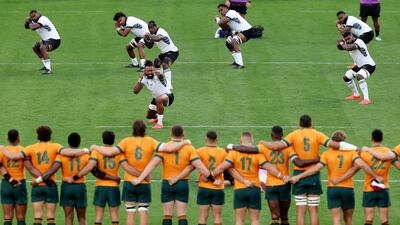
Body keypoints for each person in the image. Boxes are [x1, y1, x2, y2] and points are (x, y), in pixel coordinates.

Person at [258, 115, 358, 225]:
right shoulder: (318, 134)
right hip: (313, 175)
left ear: (299, 124)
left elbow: (276, 147)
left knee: (300, 210)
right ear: (311, 123)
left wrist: (263, 142)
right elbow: (335, 145)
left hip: (298, 176)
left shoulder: (294, 134)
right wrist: (355, 148)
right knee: (313, 210)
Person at [91, 120, 192, 225]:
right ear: (145, 130)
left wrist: (94, 147)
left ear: (133, 130)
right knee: (143, 211)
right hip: (144, 183)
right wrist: (184, 142)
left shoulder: (126, 141)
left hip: (129, 182)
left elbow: (109, 152)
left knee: (130, 211)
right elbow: (169, 148)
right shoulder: (150, 141)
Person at [231, 126, 323, 225]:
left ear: (271, 135)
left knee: (274, 217)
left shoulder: (263, 147)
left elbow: (247, 150)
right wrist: (315, 160)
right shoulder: (288, 148)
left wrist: (231, 147)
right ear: (282, 135)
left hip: (271, 185)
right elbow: (298, 162)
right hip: (284, 183)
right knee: (284, 217)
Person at [289, 130, 383, 225]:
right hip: (348, 189)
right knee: (348, 219)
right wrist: (376, 176)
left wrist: (299, 176)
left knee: (336, 220)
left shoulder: (326, 154)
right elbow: (362, 165)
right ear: (344, 141)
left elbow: (316, 169)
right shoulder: (352, 153)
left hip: (333, 189)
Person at [0, 126, 88, 225]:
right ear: (50, 136)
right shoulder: (55, 146)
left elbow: (14, 157)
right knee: (50, 217)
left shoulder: (30, 148)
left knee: (37, 217)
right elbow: (69, 152)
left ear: (37, 136)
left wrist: (2, 148)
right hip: (50, 186)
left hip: (35, 186)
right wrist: (84, 150)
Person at [131, 125, 216, 225]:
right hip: (182, 184)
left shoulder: (166, 147)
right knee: (182, 215)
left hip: (167, 183)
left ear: (170, 134)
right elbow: (200, 166)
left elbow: (152, 164)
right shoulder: (189, 148)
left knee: (167, 215)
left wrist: (140, 178)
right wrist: (212, 179)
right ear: (183, 134)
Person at [212, 132, 290, 225]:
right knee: (255, 221)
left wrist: (210, 176)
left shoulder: (234, 153)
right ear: (252, 141)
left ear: (241, 141)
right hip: (254, 189)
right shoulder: (257, 154)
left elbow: (222, 167)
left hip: (240, 189)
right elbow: (268, 167)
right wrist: (281, 176)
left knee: (239, 221)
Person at [335, 129, 393, 225]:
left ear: (371, 139)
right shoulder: (388, 152)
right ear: (382, 139)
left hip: (369, 189)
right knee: (384, 220)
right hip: (384, 188)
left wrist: (341, 179)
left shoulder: (364, 153)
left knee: (368, 220)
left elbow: (354, 169)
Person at [31, 133, 91, 225]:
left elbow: (53, 170)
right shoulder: (86, 155)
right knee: (82, 218)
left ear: (68, 142)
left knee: (68, 217)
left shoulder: (61, 156)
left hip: (66, 187)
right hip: (80, 187)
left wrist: (38, 180)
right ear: (79, 142)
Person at [67, 131, 126, 225]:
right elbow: (126, 166)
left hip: (100, 186)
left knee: (98, 216)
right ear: (114, 140)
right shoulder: (118, 152)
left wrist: (75, 177)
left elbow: (90, 167)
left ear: (102, 139)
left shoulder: (96, 152)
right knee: (114, 216)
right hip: (114, 187)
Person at [133, 60, 174, 129]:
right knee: (149, 116)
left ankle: (160, 124)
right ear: (144, 71)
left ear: (153, 70)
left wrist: (160, 75)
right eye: (147, 71)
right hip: (156, 98)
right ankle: (159, 116)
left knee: (158, 99)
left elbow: (162, 76)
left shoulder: (157, 75)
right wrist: (139, 79)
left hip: (168, 96)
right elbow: (135, 91)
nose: (149, 72)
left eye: (151, 70)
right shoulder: (143, 79)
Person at [337, 32, 376, 105]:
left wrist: (342, 43)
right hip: (359, 66)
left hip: (369, 66)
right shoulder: (348, 43)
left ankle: (367, 99)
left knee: (359, 76)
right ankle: (356, 95)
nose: (348, 40)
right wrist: (339, 43)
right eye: (346, 39)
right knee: (346, 77)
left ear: (353, 36)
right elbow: (340, 48)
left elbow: (349, 48)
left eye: (349, 38)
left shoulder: (359, 42)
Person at [215, 4, 258, 69]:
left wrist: (217, 19)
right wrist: (219, 21)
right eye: (219, 11)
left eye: (221, 10)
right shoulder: (227, 17)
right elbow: (224, 28)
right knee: (228, 43)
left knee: (234, 41)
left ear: (226, 8)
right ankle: (236, 61)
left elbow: (221, 23)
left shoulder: (231, 12)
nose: (220, 12)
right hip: (242, 32)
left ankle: (240, 64)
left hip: (247, 31)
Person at [0, 130, 28, 225]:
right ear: (18, 137)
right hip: (20, 184)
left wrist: (10, 179)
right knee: (21, 218)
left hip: (6, 185)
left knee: (7, 218)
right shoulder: (23, 150)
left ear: (8, 138)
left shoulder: (2, 150)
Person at [144, 21, 179, 89]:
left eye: (152, 28)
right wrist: (145, 39)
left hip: (172, 52)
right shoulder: (153, 34)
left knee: (165, 65)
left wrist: (149, 35)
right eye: (149, 28)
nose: (150, 30)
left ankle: (169, 85)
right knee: (156, 62)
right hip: (165, 53)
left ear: (155, 27)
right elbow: (149, 46)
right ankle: (160, 81)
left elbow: (157, 38)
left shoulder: (161, 31)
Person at [24, 10, 61, 74]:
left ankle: (48, 70)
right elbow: (26, 27)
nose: (33, 17)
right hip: (46, 40)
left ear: (37, 14)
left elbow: (33, 28)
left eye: (34, 16)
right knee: (35, 47)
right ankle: (45, 65)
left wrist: (29, 21)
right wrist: (27, 22)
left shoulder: (43, 18)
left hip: (55, 40)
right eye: (32, 17)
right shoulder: (33, 21)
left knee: (42, 48)